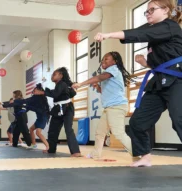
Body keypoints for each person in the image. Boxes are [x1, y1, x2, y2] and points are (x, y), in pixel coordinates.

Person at [93, 0, 182, 167]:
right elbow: (137, 32)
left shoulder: (170, 26)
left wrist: (108, 35)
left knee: (179, 119)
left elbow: (139, 35)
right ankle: (145, 156)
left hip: (177, 80)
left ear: (165, 10)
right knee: (137, 122)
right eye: (146, 11)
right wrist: (146, 64)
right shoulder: (154, 32)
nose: (147, 13)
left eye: (151, 10)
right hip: (159, 82)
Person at [72, 51, 132, 160]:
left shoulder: (113, 69)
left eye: (106, 59)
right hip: (110, 107)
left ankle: (138, 153)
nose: (103, 61)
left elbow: (99, 78)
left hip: (117, 106)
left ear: (115, 61)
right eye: (103, 59)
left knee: (118, 133)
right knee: (100, 132)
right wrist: (98, 88)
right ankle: (96, 154)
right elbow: (104, 91)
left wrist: (80, 84)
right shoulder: (110, 72)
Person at [34, 67, 81, 157]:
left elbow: (55, 94)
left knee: (68, 129)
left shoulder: (62, 84)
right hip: (57, 109)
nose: (52, 76)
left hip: (67, 109)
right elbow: (56, 93)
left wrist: (42, 92)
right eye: (52, 74)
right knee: (52, 130)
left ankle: (76, 151)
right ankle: (51, 149)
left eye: (54, 74)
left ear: (61, 75)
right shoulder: (60, 85)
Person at [9, 84, 50, 150]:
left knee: (38, 133)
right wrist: (24, 110)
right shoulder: (37, 98)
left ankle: (48, 146)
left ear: (39, 91)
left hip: (43, 117)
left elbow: (26, 102)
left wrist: (14, 101)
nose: (34, 91)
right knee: (31, 129)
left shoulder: (38, 98)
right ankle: (34, 144)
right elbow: (29, 106)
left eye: (35, 90)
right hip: (39, 117)